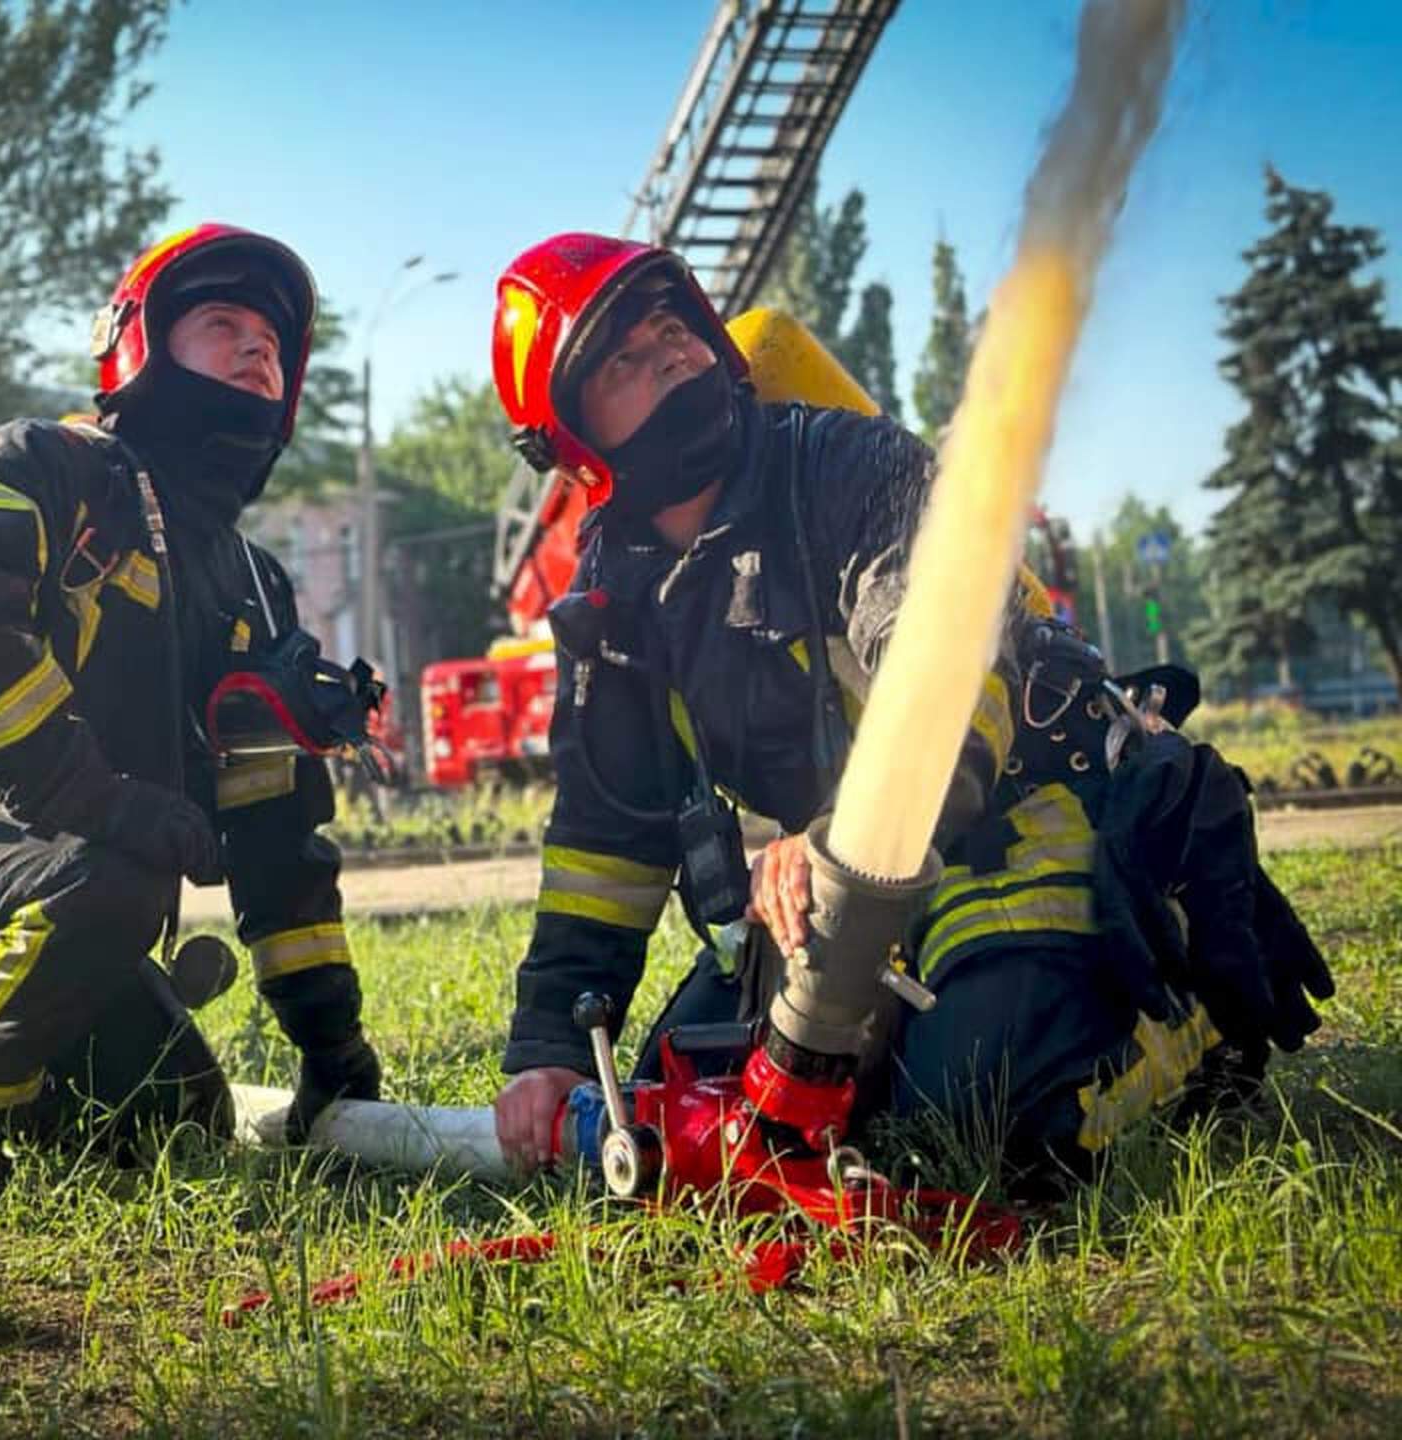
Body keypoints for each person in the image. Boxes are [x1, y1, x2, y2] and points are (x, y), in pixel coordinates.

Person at [486, 233, 1333, 1187]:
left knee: (980, 1123)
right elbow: (609, 839)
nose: (672, 353)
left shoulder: (853, 467)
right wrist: (551, 1045)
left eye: (673, 326)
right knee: (682, 1126)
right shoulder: (617, 598)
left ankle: (1188, 1008)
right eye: (626, 360)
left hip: (1018, 831)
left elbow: (948, 681)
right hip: (832, 895)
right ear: (573, 440)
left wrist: (836, 831)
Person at [0, 222, 382, 1210]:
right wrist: (89, 793)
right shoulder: (40, 467)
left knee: (174, 1114)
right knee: (111, 882)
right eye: (220, 323)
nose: (254, 348)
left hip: (50, 881)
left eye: (271, 343)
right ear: (137, 347)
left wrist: (332, 1043)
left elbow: (278, 838)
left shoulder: (252, 586)